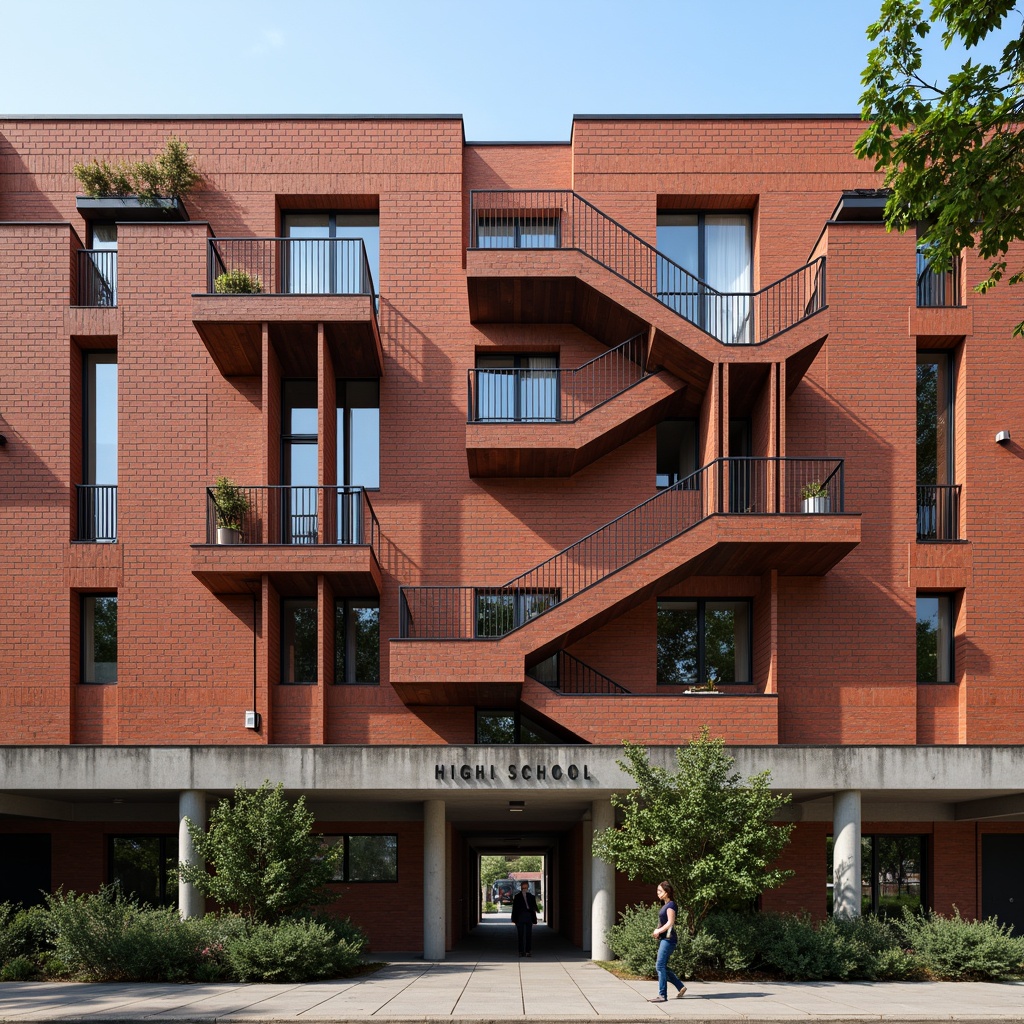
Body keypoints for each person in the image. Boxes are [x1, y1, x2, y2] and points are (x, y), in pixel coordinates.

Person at [649, 881, 686, 1001]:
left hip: (669, 939)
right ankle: (680, 986)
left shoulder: (671, 906)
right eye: (657, 891)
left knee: (659, 966)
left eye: (660, 891)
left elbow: (670, 922)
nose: (657, 893)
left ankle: (662, 995)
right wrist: (658, 931)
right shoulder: (666, 905)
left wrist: (659, 931)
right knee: (662, 966)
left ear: (667, 892)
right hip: (665, 938)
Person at [510, 880, 538, 957]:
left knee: (529, 935)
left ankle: (528, 951)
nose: (525, 888)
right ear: (521, 887)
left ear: (528, 887)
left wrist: (534, 918)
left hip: (528, 916)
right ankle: (521, 951)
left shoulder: (531, 896)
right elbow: (514, 909)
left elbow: (534, 907)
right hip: (520, 917)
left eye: (526, 886)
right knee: (520, 935)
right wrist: (514, 919)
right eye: (523, 886)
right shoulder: (517, 897)